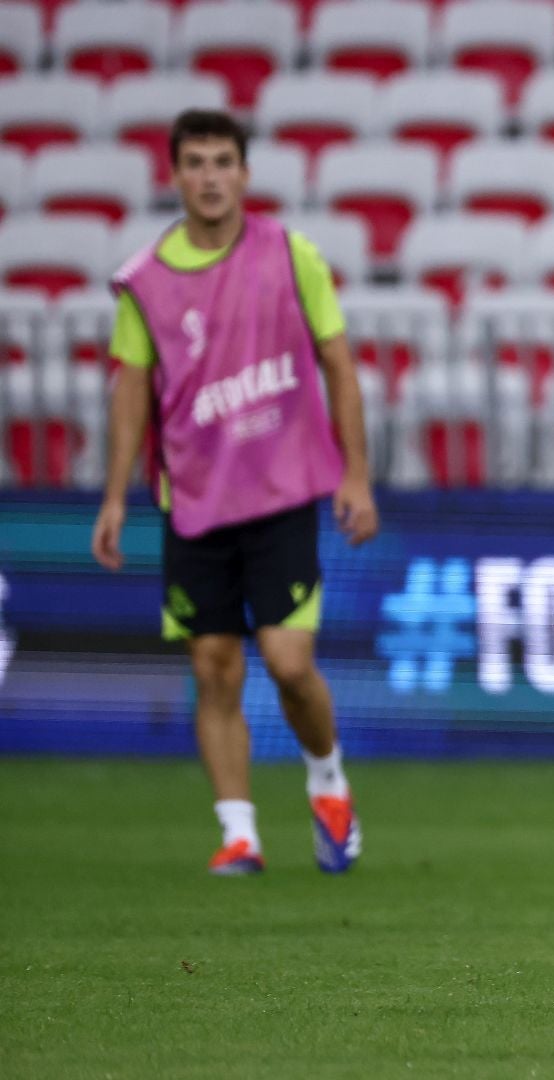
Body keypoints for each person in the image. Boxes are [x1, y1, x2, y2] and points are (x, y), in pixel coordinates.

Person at [91, 109, 379, 876]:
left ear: (245, 173)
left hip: (282, 492)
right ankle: (239, 833)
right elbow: (132, 393)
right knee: (214, 666)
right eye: (195, 162)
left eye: (223, 160)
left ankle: (328, 781)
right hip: (191, 500)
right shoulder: (144, 280)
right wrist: (115, 497)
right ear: (176, 174)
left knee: (288, 662)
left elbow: (339, 365)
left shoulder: (291, 255)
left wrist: (355, 474)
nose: (210, 175)